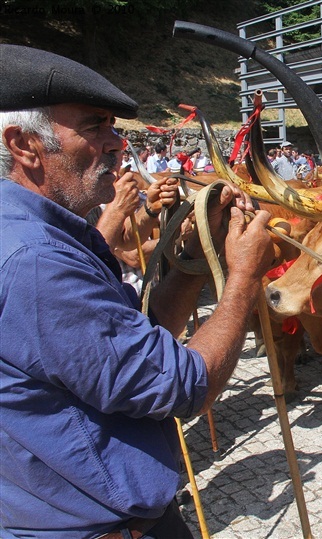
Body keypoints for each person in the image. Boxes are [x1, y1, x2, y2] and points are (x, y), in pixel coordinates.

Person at [0, 44, 276, 538]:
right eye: (94, 125)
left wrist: (193, 262)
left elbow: (136, 341)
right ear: (23, 145)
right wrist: (243, 279)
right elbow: (183, 385)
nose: (116, 143)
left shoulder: (31, 234)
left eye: (114, 127)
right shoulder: (37, 262)